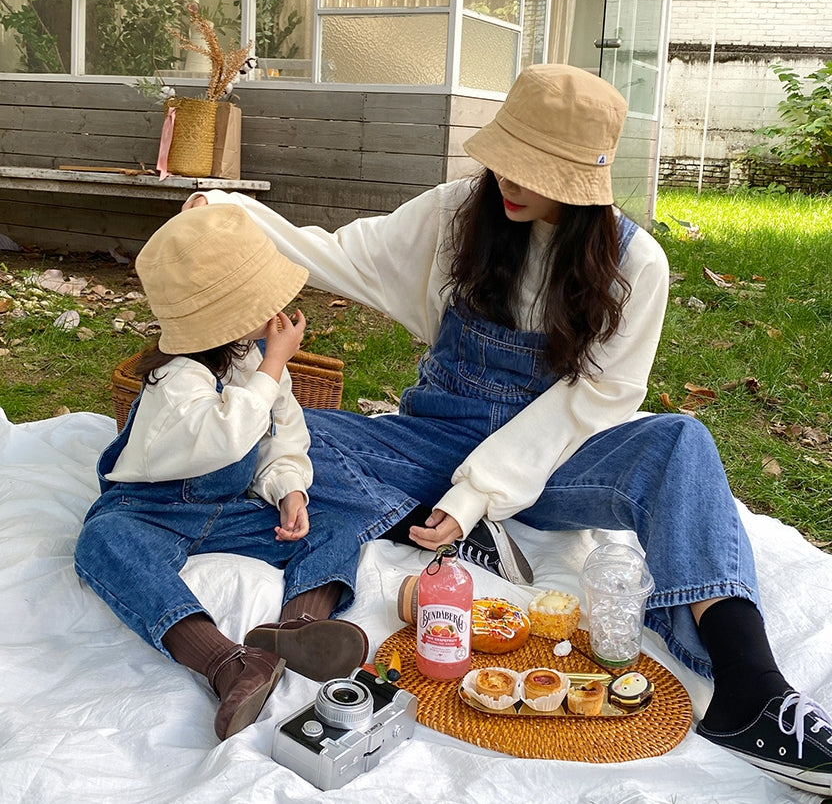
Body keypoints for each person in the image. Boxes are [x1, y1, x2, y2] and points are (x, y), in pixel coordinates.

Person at [184, 64, 832, 794]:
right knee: (287, 434)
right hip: (430, 440)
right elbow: (342, 255)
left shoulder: (635, 264)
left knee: (682, 443)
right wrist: (234, 217)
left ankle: (751, 689)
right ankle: (445, 525)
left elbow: (589, 405)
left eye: (537, 171)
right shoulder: (460, 210)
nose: (510, 182)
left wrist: (478, 492)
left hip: (553, 463)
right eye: (505, 161)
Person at [74, 204, 369, 742]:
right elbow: (221, 437)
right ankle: (224, 661)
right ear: (230, 311)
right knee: (103, 541)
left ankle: (295, 630)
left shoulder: (249, 358)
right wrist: (275, 365)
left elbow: (283, 435)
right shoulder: (175, 377)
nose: (279, 308)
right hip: (155, 510)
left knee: (336, 526)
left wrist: (288, 490)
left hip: (231, 509)